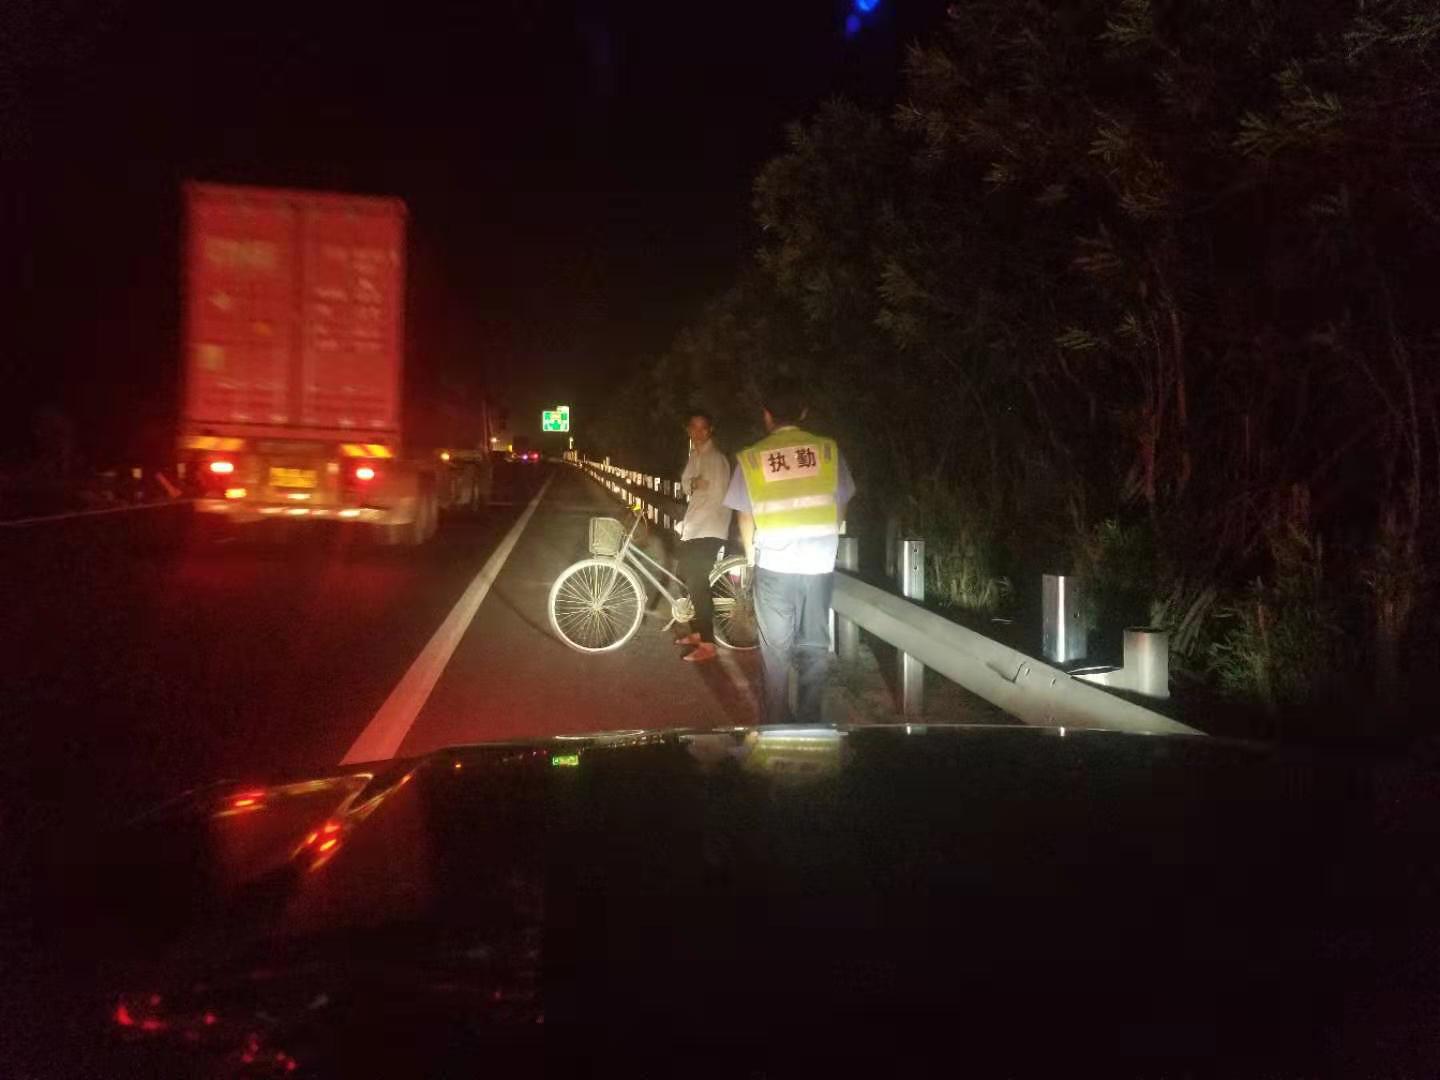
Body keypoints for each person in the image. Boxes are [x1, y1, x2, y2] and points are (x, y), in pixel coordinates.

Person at [723, 377, 855, 723]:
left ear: (767, 415)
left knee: (775, 652)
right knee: (814, 647)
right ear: (804, 412)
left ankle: (776, 725)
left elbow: (744, 517)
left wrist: (751, 559)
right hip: (818, 565)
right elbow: (841, 504)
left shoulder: (753, 458)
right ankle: (811, 722)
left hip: (774, 565)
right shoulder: (827, 451)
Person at [674, 411, 733, 663]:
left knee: (697, 581)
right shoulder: (695, 456)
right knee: (683, 575)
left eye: (703, 428)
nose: (698, 432)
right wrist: (694, 484)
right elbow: (686, 484)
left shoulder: (716, 459)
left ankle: (708, 644)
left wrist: (695, 485)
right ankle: (699, 631)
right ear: (688, 430)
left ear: (710, 430)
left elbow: (715, 496)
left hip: (710, 527)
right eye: (694, 427)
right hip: (695, 527)